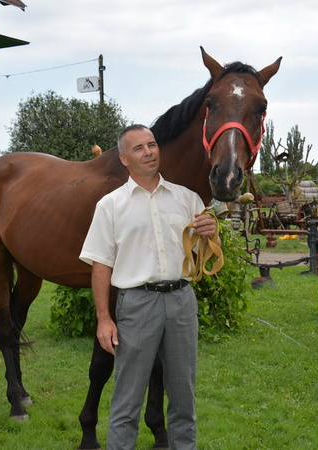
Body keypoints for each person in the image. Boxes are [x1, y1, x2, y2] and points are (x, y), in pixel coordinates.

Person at [79, 124, 219, 450]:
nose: (149, 152)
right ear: (124, 159)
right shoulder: (110, 206)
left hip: (182, 302)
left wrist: (211, 232)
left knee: (184, 397)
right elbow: (101, 264)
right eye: (139, 148)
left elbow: (198, 255)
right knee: (128, 399)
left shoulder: (188, 199)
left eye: (152, 144)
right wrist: (104, 318)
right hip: (137, 304)